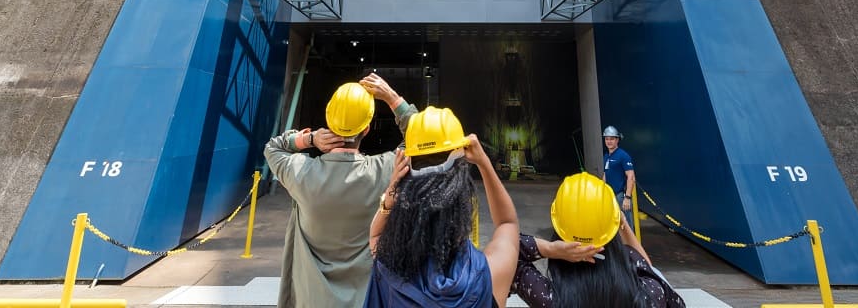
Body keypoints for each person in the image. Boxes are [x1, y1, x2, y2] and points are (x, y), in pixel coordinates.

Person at [264, 74, 418, 308]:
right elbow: (420, 137)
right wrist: (391, 97)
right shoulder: (386, 170)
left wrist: (310, 139)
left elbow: (273, 147)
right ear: (367, 129)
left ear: (329, 122)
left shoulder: (301, 172)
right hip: (367, 298)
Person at [364, 106, 520, 307]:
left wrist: (392, 191)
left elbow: (375, 236)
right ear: (460, 193)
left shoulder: (388, 268)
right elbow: (508, 223)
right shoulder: (488, 274)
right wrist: (484, 163)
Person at [511, 172, 685, 308]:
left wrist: (552, 249)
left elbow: (509, 248)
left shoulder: (550, 300)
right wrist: (621, 222)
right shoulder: (649, 296)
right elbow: (649, 270)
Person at [602, 125, 635, 226]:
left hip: (620, 197)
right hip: (609, 197)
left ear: (617, 140)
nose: (609, 141)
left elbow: (631, 176)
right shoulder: (606, 156)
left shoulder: (623, 155)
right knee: (613, 226)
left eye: (612, 139)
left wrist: (627, 198)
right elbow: (605, 175)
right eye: (607, 139)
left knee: (626, 226)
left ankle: (630, 243)